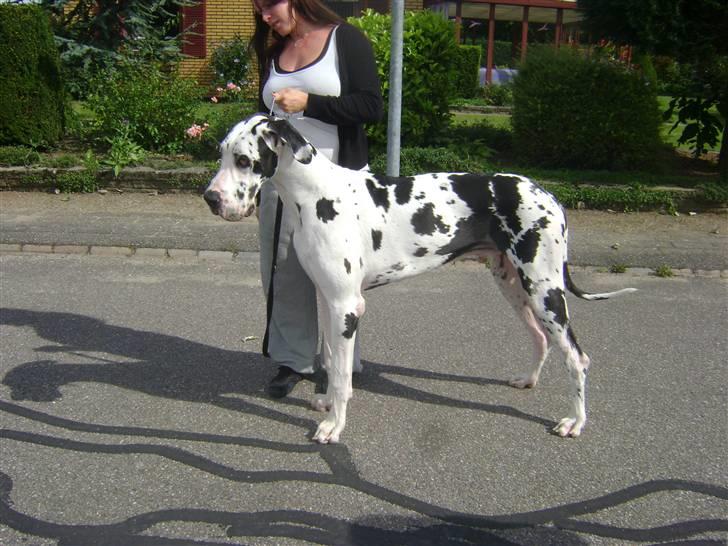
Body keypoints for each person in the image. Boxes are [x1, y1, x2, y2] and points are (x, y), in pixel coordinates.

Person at [250, 0, 383, 398]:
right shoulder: (275, 52)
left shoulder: (347, 40)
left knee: (339, 279)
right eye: (258, 8)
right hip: (283, 184)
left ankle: (342, 364)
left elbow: (371, 105)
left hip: (340, 186)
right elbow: (263, 115)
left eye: (270, 4)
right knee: (284, 271)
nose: (265, 16)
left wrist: (311, 103)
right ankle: (294, 361)